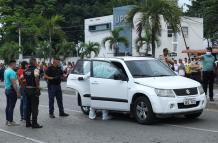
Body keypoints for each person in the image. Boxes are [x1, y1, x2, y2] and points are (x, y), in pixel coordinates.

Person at [24, 58, 42, 128]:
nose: (37, 63)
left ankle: (27, 123)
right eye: (36, 62)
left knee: (28, 107)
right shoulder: (36, 70)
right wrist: (38, 88)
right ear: (34, 62)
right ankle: (34, 123)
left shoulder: (26, 70)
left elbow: (23, 79)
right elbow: (36, 79)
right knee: (34, 107)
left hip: (27, 89)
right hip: (33, 89)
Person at [4, 60, 20, 126]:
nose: (16, 65)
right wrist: (17, 92)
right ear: (12, 64)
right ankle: (11, 121)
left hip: (7, 89)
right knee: (11, 106)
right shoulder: (12, 72)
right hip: (12, 90)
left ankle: (7, 120)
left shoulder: (6, 70)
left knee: (8, 106)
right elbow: (14, 83)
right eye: (15, 64)